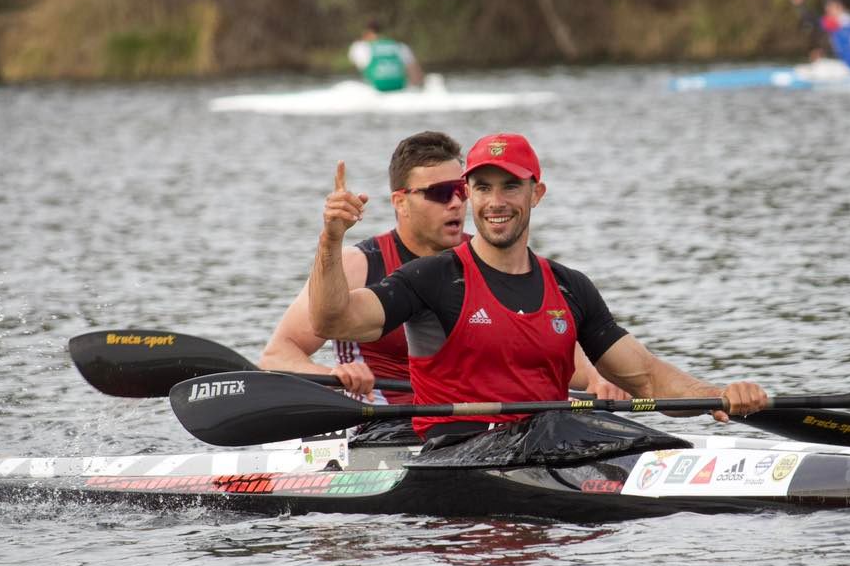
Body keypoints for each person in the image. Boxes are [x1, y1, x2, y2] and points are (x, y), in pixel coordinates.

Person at [307, 132, 768, 440]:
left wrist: (718, 395)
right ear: (471, 196)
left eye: (511, 186)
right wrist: (331, 240)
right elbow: (334, 318)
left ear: (537, 194)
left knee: (618, 434)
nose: (496, 202)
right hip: (457, 459)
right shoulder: (433, 278)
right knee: (575, 430)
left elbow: (647, 377)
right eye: (483, 188)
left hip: (548, 447)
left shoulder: (570, 288)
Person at [260, 131, 623, 405]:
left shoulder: (489, 256)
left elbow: (547, 342)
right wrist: (332, 375)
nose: (455, 203)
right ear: (400, 203)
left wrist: (595, 381)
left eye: (461, 190)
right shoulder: (361, 264)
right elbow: (277, 355)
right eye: (439, 193)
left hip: (470, 431)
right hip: (378, 426)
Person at [347, 20, 423, 92]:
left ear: (367, 32)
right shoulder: (399, 46)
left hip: (376, 89)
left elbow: (360, 66)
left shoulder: (360, 47)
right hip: (399, 87)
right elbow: (415, 72)